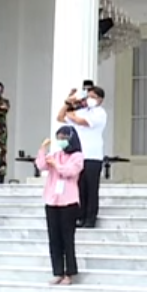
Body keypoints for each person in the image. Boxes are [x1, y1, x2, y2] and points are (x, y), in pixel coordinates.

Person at [36, 126, 85, 285]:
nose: (61, 141)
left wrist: (56, 165)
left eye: (64, 137)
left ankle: (70, 272)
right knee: (54, 237)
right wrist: (43, 149)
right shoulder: (56, 154)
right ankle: (57, 271)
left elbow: (70, 172)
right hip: (52, 199)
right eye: (59, 138)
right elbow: (41, 165)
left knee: (67, 238)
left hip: (68, 201)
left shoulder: (77, 156)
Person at [59, 85, 107, 228]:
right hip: (79, 155)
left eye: (93, 97)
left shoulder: (100, 113)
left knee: (91, 188)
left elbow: (81, 122)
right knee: (80, 187)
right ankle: (80, 216)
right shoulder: (82, 111)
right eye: (88, 96)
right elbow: (60, 117)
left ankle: (91, 218)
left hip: (93, 156)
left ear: (100, 99)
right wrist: (68, 103)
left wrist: (72, 107)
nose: (90, 99)